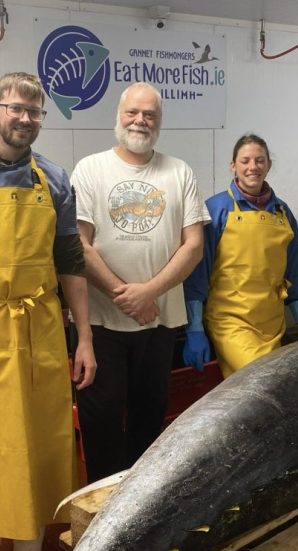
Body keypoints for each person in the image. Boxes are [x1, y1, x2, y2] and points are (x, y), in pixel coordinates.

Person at [0, 72, 96, 551]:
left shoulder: (54, 179)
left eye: (34, 112)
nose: (25, 119)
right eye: (15, 108)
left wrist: (84, 339)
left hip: (38, 329)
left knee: (36, 446)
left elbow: (70, 261)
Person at [70, 82, 209, 484]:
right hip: (100, 325)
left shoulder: (179, 172)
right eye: (133, 112)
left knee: (149, 425)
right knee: (101, 429)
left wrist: (148, 293)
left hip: (159, 322)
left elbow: (194, 246)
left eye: (149, 114)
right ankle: (102, 508)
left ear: (159, 121)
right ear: (119, 115)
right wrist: (125, 296)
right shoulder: (90, 169)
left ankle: (142, 504)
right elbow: (79, 245)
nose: (140, 121)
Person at [182, 133, 298, 378]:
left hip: (272, 323)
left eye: (260, 160)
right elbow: (197, 275)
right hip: (230, 322)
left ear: (269, 165)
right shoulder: (216, 210)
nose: (253, 167)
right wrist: (195, 328)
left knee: (271, 386)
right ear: (233, 166)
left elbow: (293, 275)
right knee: (263, 380)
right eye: (245, 161)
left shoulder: (283, 213)